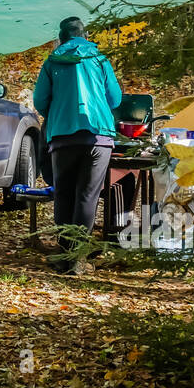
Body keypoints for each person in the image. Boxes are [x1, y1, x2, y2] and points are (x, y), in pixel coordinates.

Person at [32, 16, 123, 274]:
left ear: (61, 38)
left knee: (64, 194)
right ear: (85, 35)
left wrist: (61, 107)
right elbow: (115, 99)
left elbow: (40, 101)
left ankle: (64, 255)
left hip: (62, 136)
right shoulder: (100, 60)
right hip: (98, 136)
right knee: (87, 196)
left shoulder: (52, 62)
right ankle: (77, 259)